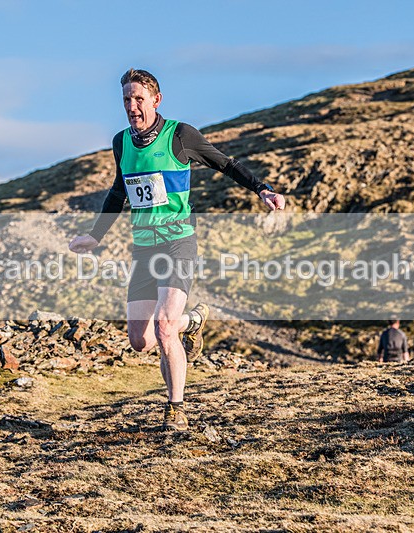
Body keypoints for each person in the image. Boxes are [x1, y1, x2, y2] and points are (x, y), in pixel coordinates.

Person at [69, 68, 285, 432]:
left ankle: (176, 409)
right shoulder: (121, 143)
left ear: (156, 100)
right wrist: (96, 236)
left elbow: (225, 164)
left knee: (165, 328)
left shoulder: (180, 135)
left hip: (178, 242)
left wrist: (262, 189)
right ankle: (193, 321)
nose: (132, 106)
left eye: (139, 99)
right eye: (126, 99)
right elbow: (119, 191)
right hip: (144, 249)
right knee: (140, 341)